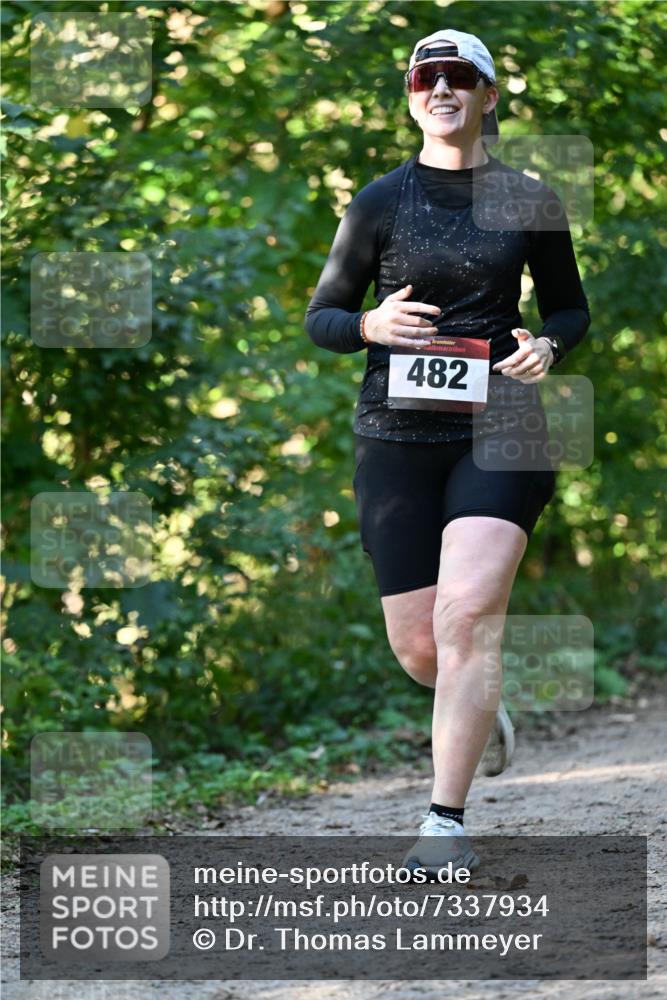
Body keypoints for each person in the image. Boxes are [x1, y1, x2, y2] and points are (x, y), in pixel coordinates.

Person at [304, 28, 590, 874]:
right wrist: (368, 325)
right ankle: (476, 704)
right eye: (424, 77)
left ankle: (443, 823)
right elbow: (322, 318)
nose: (440, 88)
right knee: (421, 648)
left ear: (487, 96)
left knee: (464, 615)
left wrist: (548, 346)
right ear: (409, 96)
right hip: (395, 437)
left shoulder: (528, 199)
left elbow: (569, 308)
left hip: (501, 426)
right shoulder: (378, 202)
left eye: (458, 76)